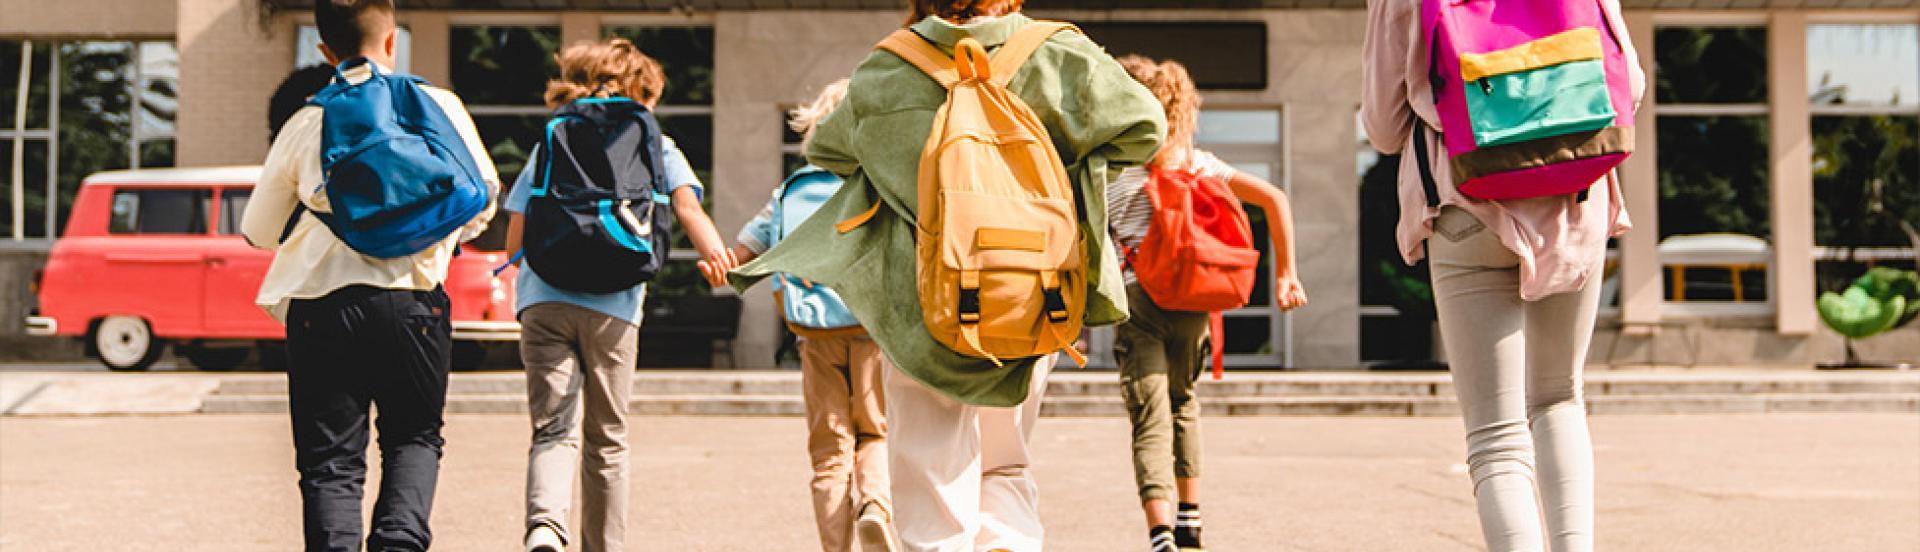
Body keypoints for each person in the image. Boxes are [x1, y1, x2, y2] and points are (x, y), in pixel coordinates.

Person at [727, 1, 1166, 550]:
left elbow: (826, 149)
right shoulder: (1058, 51)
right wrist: (1063, 177)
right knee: (1005, 463)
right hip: (1033, 292)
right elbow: (1145, 127)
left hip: (921, 303)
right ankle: (1004, 542)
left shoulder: (888, 68)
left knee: (931, 478)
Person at [1361, 1, 1643, 551]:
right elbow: (1626, 86)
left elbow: (1384, 126)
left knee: (1496, 440)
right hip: (1572, 200)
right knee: (1560, 399)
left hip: (1467, 198)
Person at [239, 1, 500, 550]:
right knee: (414, 439)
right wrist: (424, 236)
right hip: (414, 303)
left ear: (325, 51)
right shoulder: (437, 104)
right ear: (391, 42)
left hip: (321, 304)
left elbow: (257, 229)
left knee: (330, 460)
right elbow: (482, 196)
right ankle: (399, 543)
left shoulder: (307, 120)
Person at [504, 38, 737, 552]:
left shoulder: (553, 136)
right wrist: (719, 259)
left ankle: (545, 526)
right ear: (640, 92)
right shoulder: (657, 142)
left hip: (544, 301)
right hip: (615, 305)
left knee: (552, 429)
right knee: (607, 440)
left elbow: (515, 237)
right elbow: (689, 211)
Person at [1110, 55, 1308, 552]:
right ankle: (1190, 522)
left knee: (1149, 416)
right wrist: (1286, 274)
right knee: (1184, 405)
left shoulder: (1111, 169)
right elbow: (1276, 199)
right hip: (1194, 304)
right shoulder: (1198, 163)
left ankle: (1159, 534)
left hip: (1139, 302)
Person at [721, 78, 899, 552]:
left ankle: (835, 547)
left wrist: (718, 264)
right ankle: (876, 506)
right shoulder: (878, 183)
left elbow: (742, 253)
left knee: (830, 451)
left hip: (814, 331)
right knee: (875, 433)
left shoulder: (790, 190)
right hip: (872, 327)